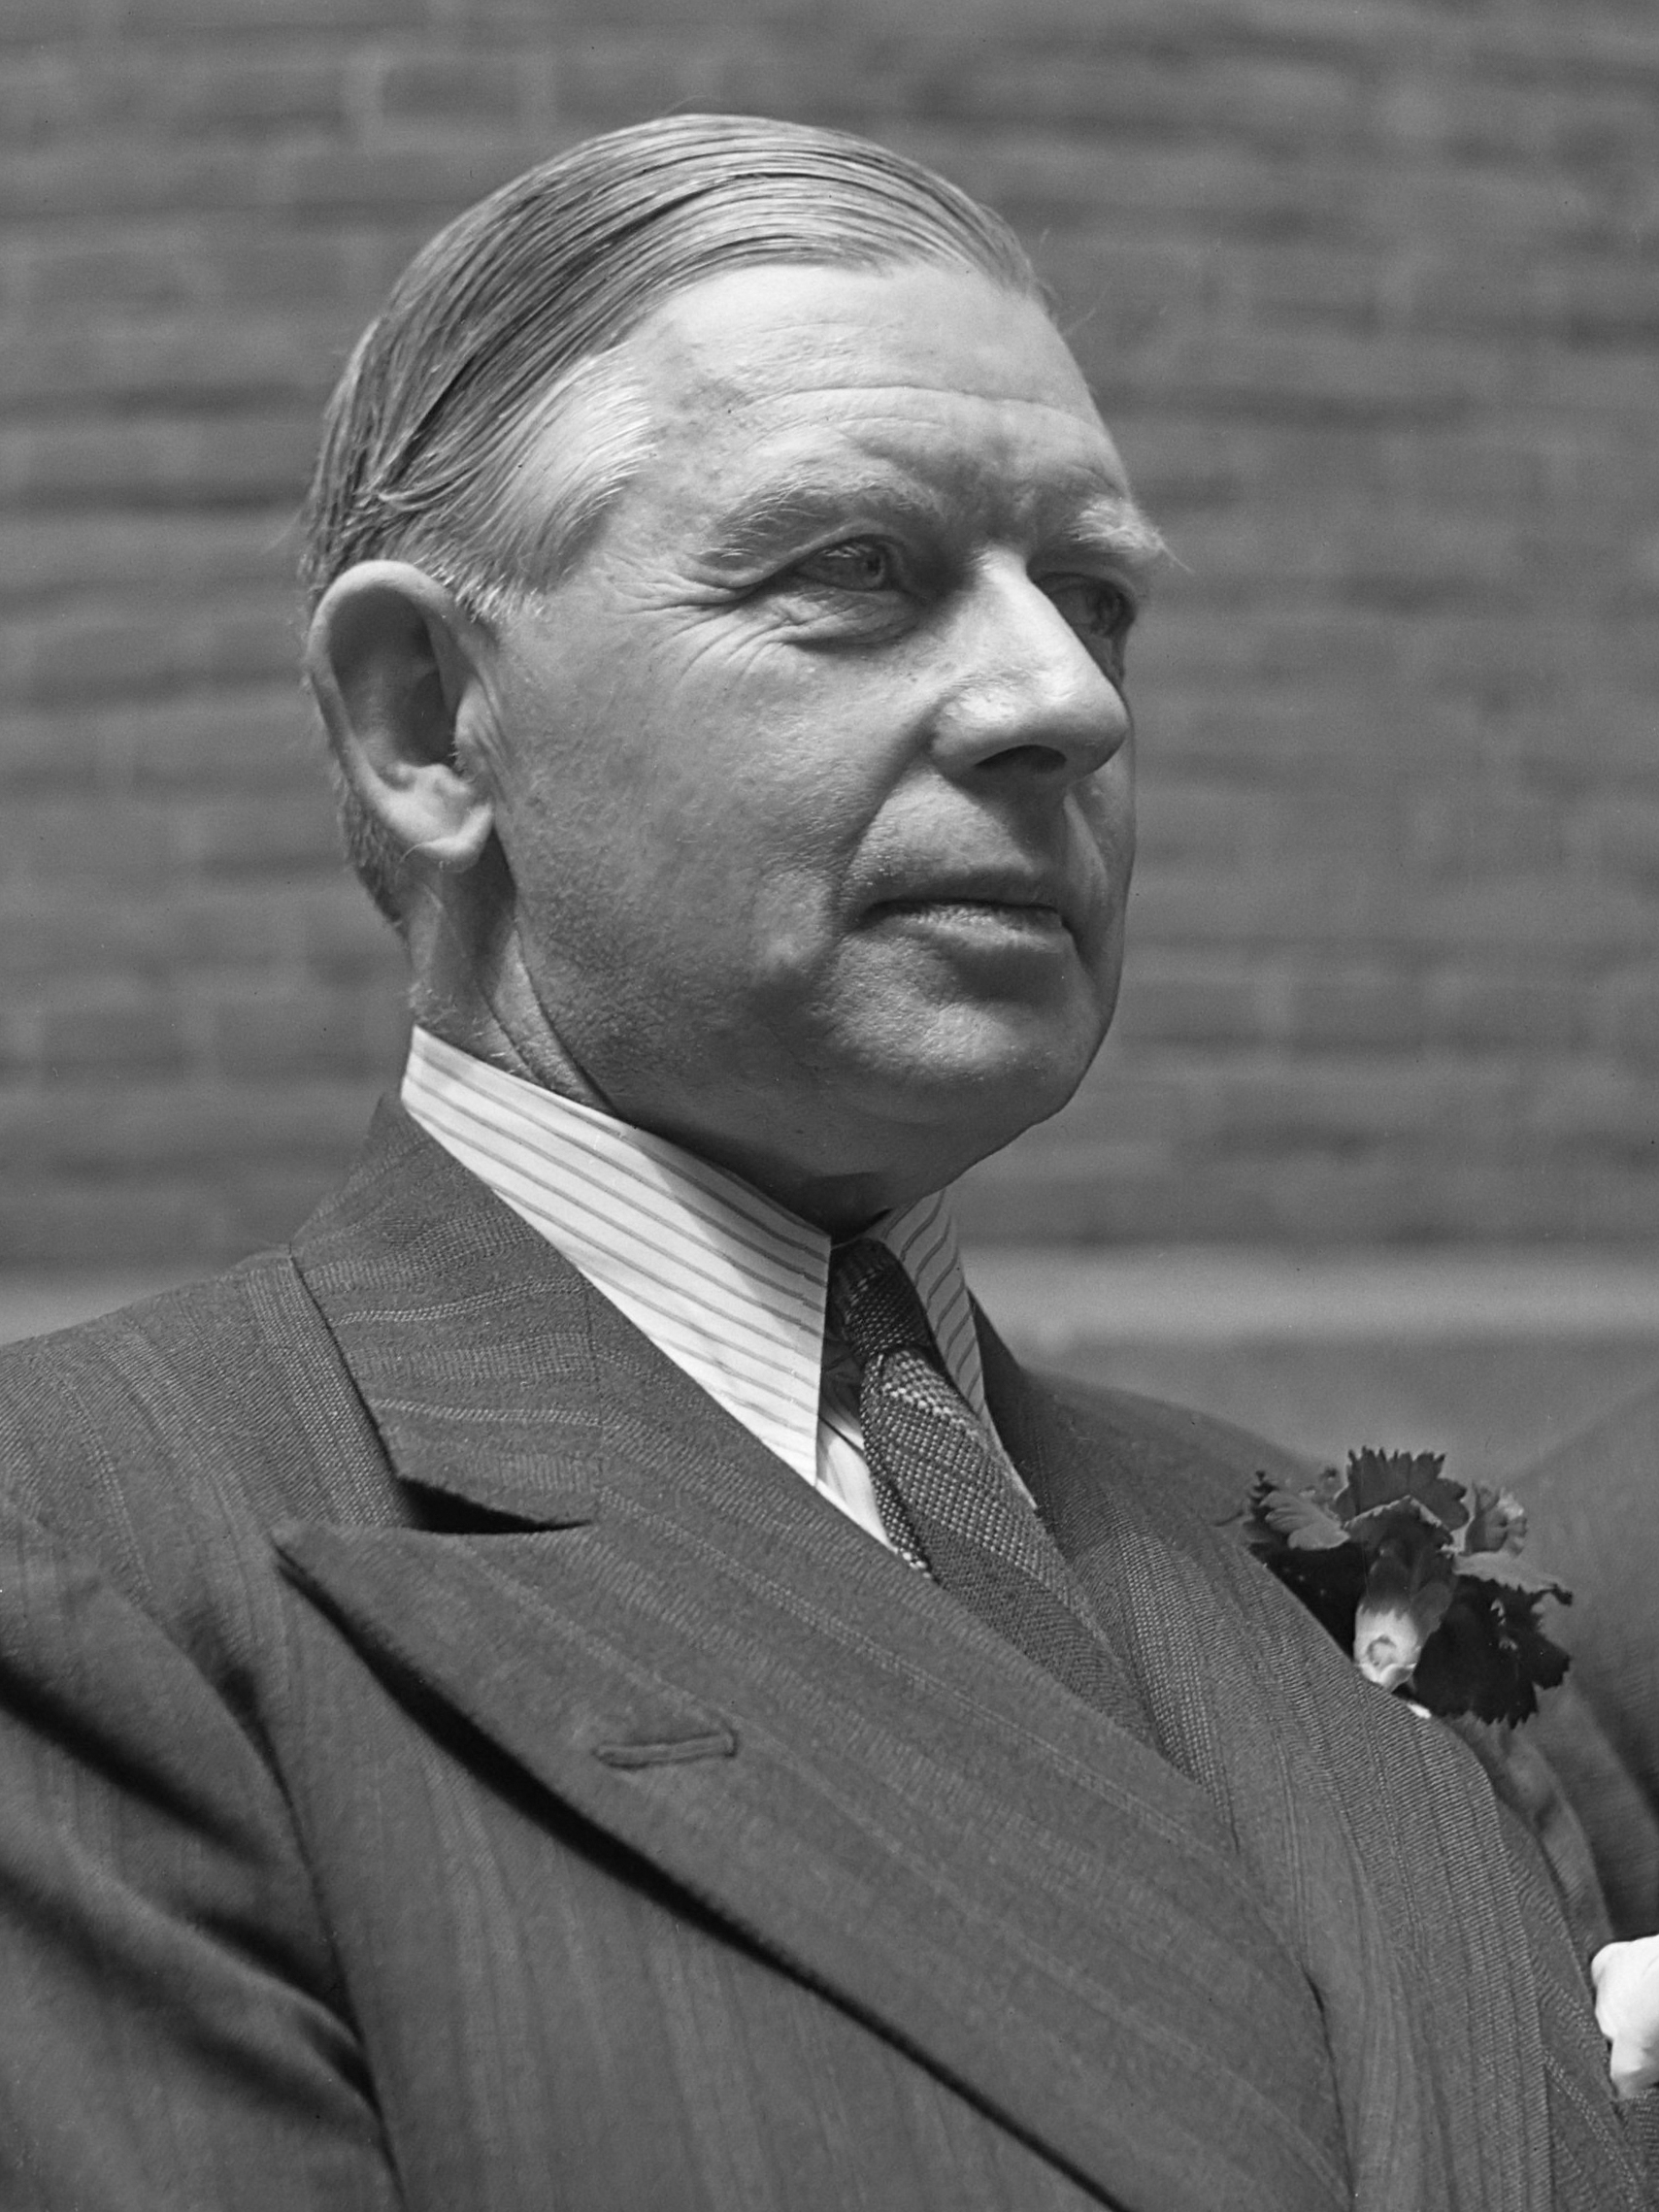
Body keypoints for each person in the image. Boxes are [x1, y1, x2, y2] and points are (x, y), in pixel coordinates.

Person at [0, 112, 1652, 2212]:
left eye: (1094, 598)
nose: (1065, 701)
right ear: (427, 724)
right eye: (857, 569)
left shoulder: (1333, 1568)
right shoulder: (94, 1555)